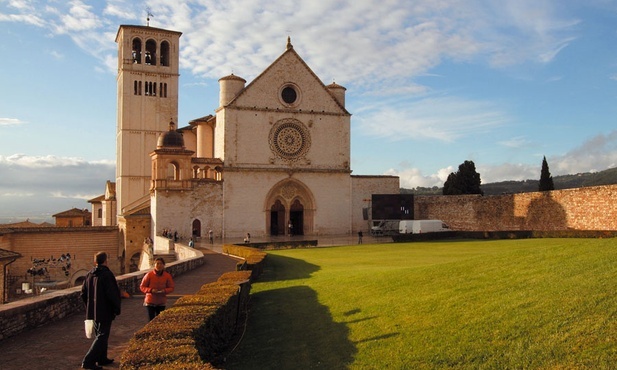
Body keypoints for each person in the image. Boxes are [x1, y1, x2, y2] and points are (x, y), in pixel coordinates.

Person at [81, 252, 121, 370]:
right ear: (105, 261)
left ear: (95, 261)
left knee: (99, 334)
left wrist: (89, 306)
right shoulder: (107, 275)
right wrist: (116, 307)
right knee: (102, 335)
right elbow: (112, 294)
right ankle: (88, 361)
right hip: (105, 310)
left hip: (93, 310)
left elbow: (83, 293)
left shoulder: (89, 274)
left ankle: (102, 358)